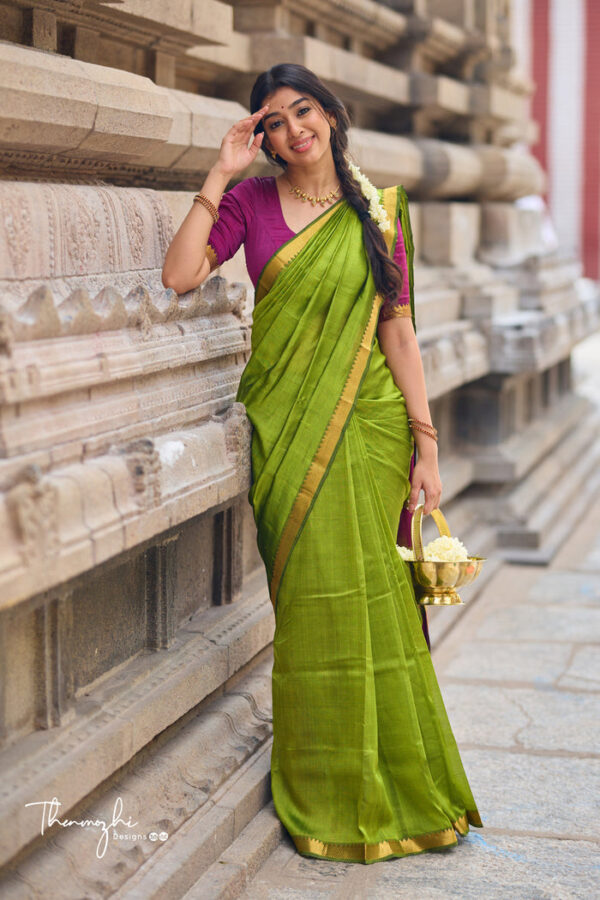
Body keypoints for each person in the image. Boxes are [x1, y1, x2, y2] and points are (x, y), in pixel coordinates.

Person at [162, 63, 483, 864]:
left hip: (373, 428)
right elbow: (178, 276)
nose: (293, 128)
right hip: (288, 430)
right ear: (262, 138)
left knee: (372, 598)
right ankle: (329, 783)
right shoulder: (251, 204)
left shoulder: (379, 212)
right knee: (313, 609)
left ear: (331, 116)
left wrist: (427, 446)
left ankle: (403, 785)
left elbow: (398, 332)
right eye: (273, 121)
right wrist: (218, 171)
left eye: (303, 111)